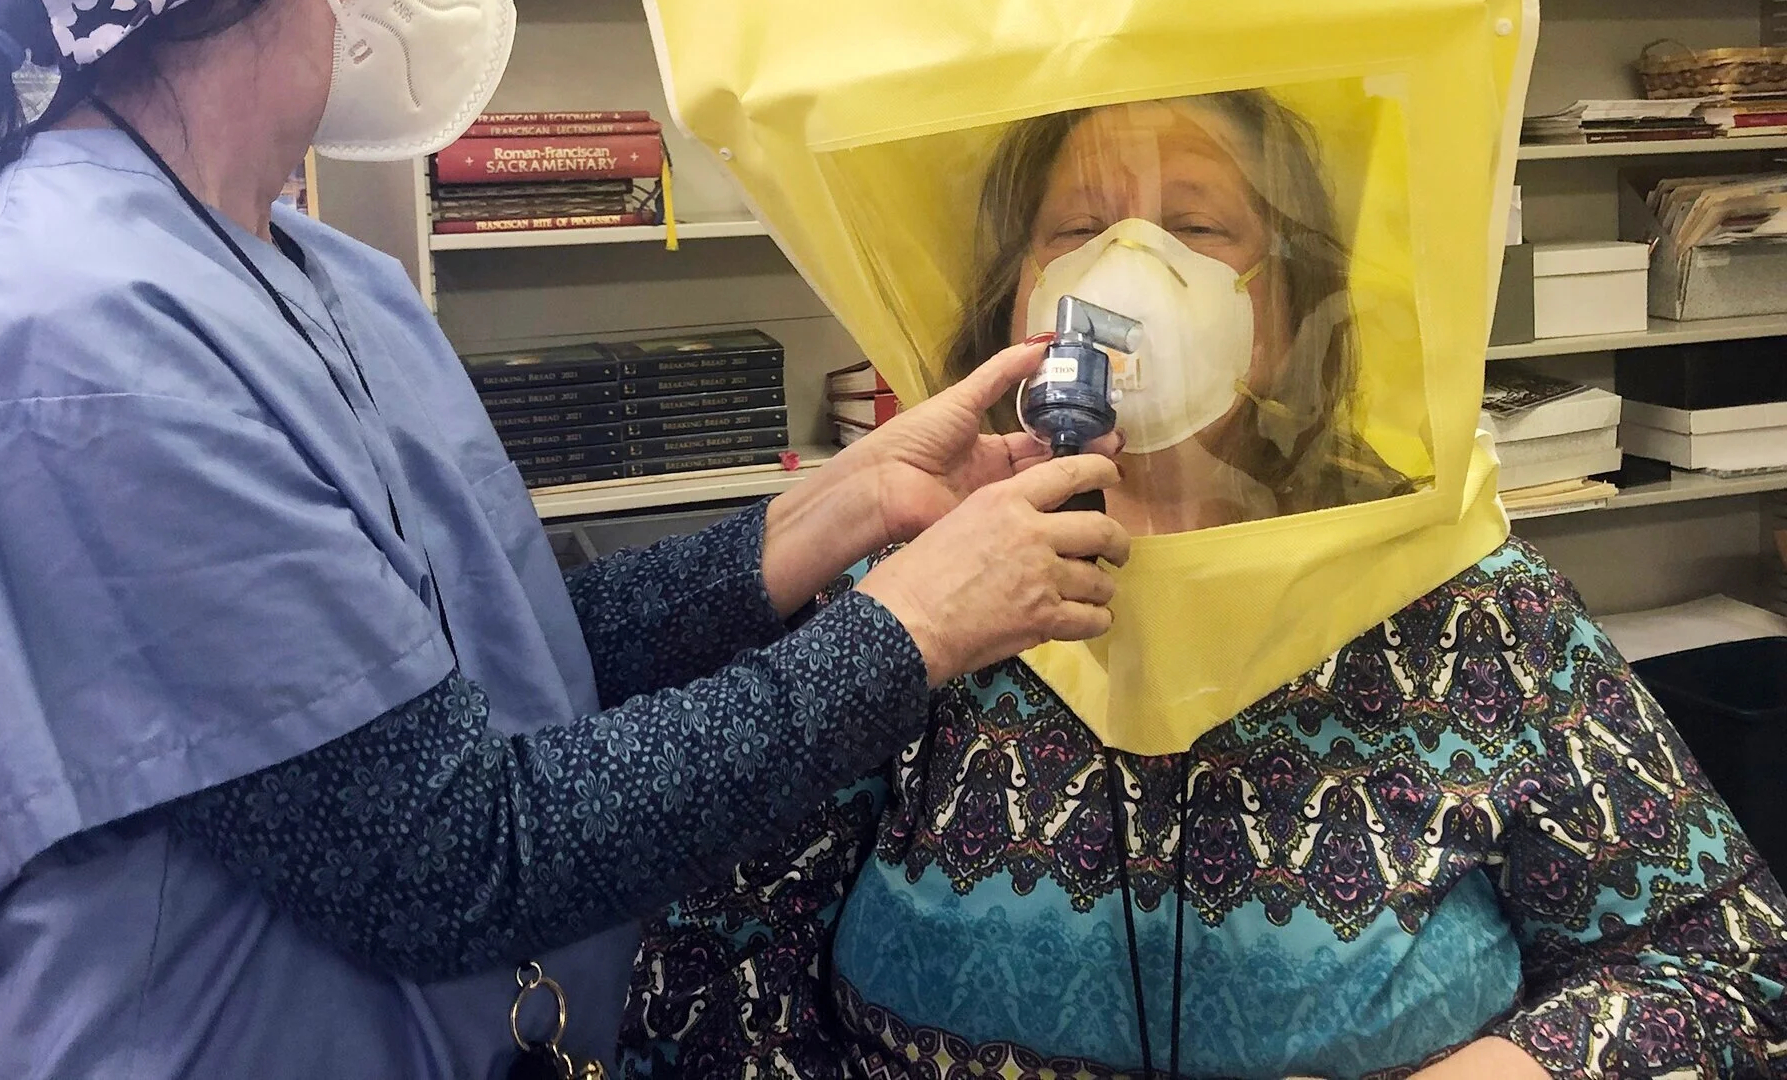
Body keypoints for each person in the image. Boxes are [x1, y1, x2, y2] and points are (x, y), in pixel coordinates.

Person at [0, 0, 1132, 1080]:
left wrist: (832, 515)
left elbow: (501, 672)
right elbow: (446, 853)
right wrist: (912, 628)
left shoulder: (322, 275)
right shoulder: (69, 339)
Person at [622, 92, 1787, 1079]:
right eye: (1075, 227)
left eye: (1195, 228)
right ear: (1017, 299)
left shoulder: (1459, 598)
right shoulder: (912, 596)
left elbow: (1725, 959)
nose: (1128, 270)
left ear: (1282, 314)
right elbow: (714, 965)